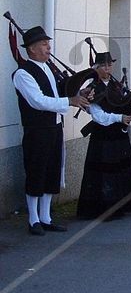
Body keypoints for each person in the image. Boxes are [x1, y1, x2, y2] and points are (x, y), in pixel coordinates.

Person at [12, 26, 91, 235]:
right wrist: (69, 101)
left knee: (51, 172)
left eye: (48, 43)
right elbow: (38, 101)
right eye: (44, 44)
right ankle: (33, 219)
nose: (49, 47)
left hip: (55, 128)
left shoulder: (48, 68)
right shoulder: (22, 73)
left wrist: (80, 92)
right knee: (36, 171)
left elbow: (60, 90)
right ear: (32, 49)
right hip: (37, 130)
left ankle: (46, 217)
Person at [77, 52, 131, 220]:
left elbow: (129, 100)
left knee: (120, 170)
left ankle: (123, 205)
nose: (107, 69)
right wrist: (119, 117)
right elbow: (97, 115)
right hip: (103, 137)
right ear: (96, 68)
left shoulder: (117, 85)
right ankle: (102, 208)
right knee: (104, 173)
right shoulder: (92, 89)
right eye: (103, 66)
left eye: (109, 65)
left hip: (119, 136)